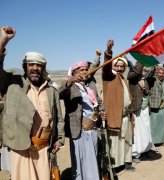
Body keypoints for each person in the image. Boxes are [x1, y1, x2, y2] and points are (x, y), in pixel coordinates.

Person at [0, 26, 64, 180]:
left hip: (43, 148)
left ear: (43, 68)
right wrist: (2, 42)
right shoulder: (13, 83)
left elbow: (58, 118)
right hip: (20, 146)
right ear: (25, 67)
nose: (35, 68)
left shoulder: (52, 91)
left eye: (39, 65)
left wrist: (59, 139)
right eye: (31, 64)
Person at [60, 61, 106, 179]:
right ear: (75, 72)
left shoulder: (90, 84)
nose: (85, 72)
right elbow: (58, 94)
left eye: (86, 69)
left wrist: (102, 111)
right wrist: (70, 82)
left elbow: (98, 101)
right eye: (82, 70)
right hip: (78, 128)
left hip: (93, 126)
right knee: (80, 157)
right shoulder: (71, 85)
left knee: (92, 155)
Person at [102, 39, 134, 171]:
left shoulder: (123, 79)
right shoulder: (109, 77)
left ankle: (127, 162)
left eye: (122, 66)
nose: (120, 68)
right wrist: (109, 52)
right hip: (115, 116)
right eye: (117, 66)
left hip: (126, 116)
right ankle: (113, 166)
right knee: (114, 143)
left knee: (126, 141)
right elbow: (106, 68)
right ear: (113, 66)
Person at [127, 60, 153, 161]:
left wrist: (144, 88)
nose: (143, 68)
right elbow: (136, 72)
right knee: (137, 131)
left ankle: (145, 149)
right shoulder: (132, 77)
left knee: (145, 129)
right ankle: (136, 153)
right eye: (142, 67)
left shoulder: (143, 78)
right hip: (137, 108)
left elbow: (147, 92)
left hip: (145, 107)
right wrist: (141, 58)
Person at [147, 66, 164, 146]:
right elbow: (149, 75)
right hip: (156, 106)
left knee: (163, 125)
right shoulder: (153, 80)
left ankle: (162, 140)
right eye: (159, 73)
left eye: (162, 73)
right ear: (156, 73)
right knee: (154, 126)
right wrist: (153, 67)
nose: (161, 75)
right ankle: (153, 142)